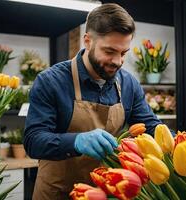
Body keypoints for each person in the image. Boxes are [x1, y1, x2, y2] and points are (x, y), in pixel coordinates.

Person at [24, 3, 163, 200]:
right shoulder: (51, 81)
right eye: (109, 51)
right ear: (88, 41)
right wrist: (77, 141)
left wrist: (181, 143)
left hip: (107, 193)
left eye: (123, 53)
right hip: (58, 193)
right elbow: (33, 141)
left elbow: (150, 126)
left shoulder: (129, 83)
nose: (117, 61)